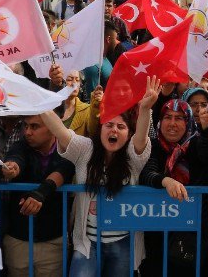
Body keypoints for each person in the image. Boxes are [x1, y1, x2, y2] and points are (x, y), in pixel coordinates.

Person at [39, 76, 158, 276]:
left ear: (128, 134)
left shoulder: (132, 156)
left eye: (121, 127)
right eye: (109, 125)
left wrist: (145, 109)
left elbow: (142, 140)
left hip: (123, 244)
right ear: (100, 128)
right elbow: (59, 130)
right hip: (87, 244)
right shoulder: (85, 149)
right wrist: (39, 105)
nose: (114, 130)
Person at [139, 99, 208, 276]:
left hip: (191, 232)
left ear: (188, 121)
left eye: (179, 118)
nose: (172, 124)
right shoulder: (152, 144)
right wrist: (167, 181)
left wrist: (206, 130)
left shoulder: (196, 143)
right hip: (157, 231)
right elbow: (146, 173)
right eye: (168, 117)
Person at [0, 114, 77, 277]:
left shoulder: (68, 149)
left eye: (34, 127)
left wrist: (41, 193)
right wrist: (12, 168)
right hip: (18, 240)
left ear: (53, 128)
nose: (27, 132)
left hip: (52, 241)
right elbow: (16, 158)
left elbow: (64, 169)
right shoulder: (20, 145)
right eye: (25, 126)